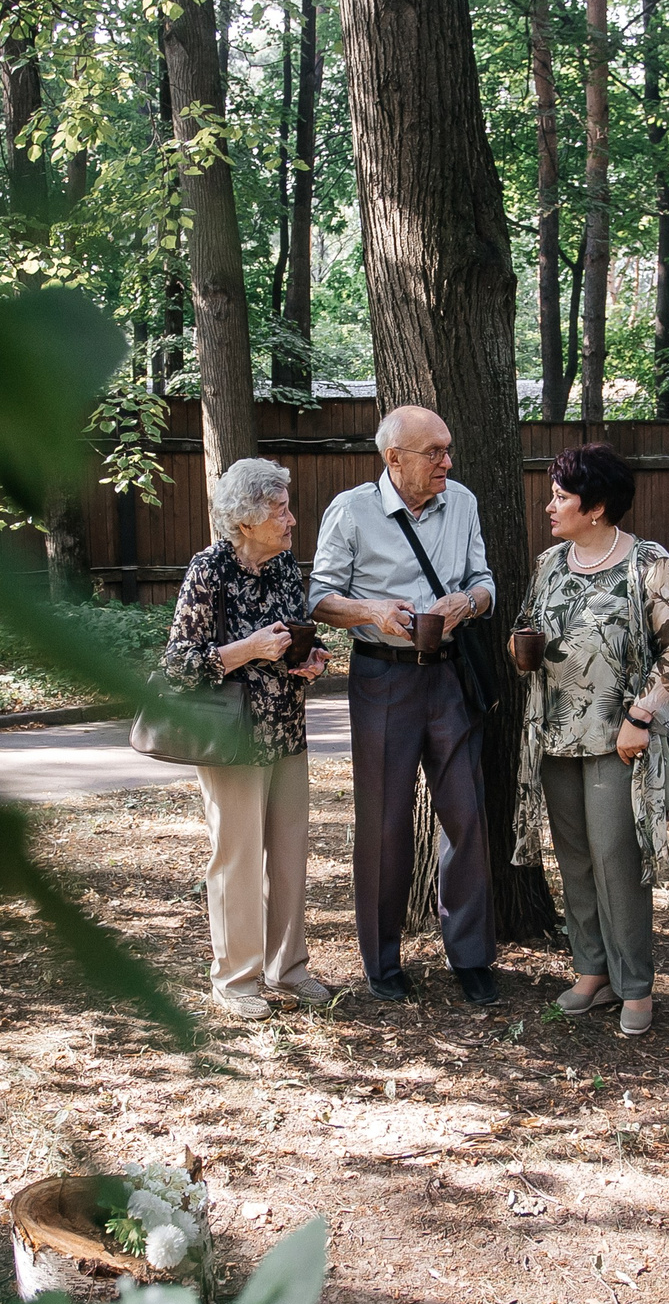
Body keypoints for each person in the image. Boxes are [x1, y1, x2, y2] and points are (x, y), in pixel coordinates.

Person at [309, 405, 502, 1005]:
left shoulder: (462, 502)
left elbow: (485, 581)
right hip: (381, 678)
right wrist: (374, 611)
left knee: (466, 817)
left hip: (448, 678)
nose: (448, 461)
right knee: (386, 824)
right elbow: (319, 596)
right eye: (435, 452)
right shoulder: (351, 510)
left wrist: (464, 605)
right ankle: (382, 961)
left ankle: (471, 957)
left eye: (448, 450)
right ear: (394, 459)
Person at [511, 444, 669, 1038]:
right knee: (575, 860)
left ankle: (636, 985)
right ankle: (592, 971)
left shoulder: (648, 562)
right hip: (554, 736)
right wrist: (523, 648)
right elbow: (528, 622)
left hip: (620, 741)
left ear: (595, 507)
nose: (550, 506)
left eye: (561, 496)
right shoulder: (549, 563)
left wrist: (641, 716)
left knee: (618, 862)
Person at [161, 458, 335, 1019]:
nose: (291, 519)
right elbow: (178, 665)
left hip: (286, 728)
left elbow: (290, 640)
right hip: (231, 737)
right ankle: (236, 980)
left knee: (288, 856)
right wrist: (248, 650)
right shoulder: (208, 569)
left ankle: (288, 969)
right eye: (280, 509)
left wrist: (310, 663)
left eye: (287, 507)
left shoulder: (284, 566)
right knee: (236, 859)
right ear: (247, 519)